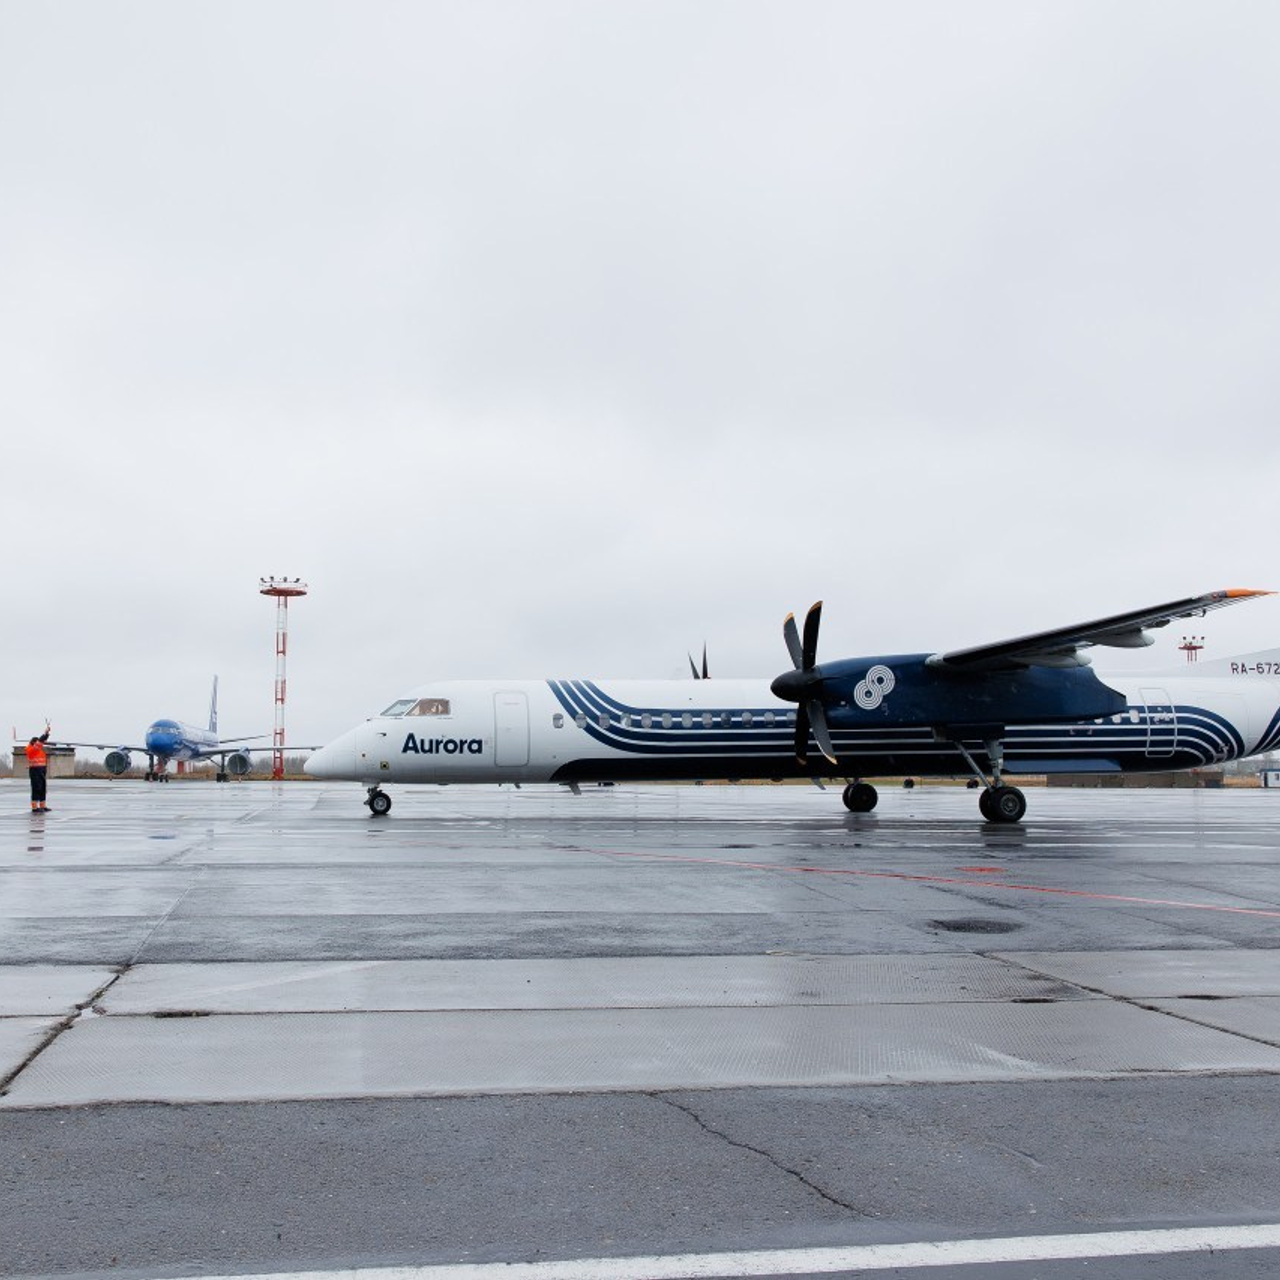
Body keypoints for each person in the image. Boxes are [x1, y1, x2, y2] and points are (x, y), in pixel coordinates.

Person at [26, 725, 52, 814]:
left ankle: (42, 806)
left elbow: (41, 742)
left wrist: (47, 734)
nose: (40, 745)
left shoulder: (39, 750)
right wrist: (45, 733)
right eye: (37, 743)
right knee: (36, 788)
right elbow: (40, 742)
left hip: (41, 770)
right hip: (35, 770)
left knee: (42, 788)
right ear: (34, 743)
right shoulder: (31, 750)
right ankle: (34, 807)